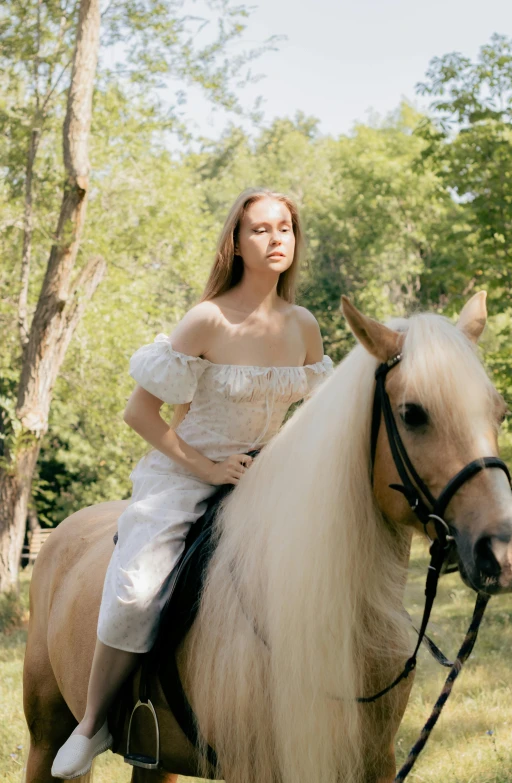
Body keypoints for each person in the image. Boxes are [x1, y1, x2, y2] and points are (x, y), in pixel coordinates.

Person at [51, 187, 334, 778]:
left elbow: (308, 421)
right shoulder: (208, 318)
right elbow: (139, 415)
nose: (276, 238)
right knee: (136, 589)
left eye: (285, 227)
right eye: (261, 229)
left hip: (263, 480)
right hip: (184, 472)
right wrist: (207, 469)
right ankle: (93, 720)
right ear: (236, 241)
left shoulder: (303, 325)